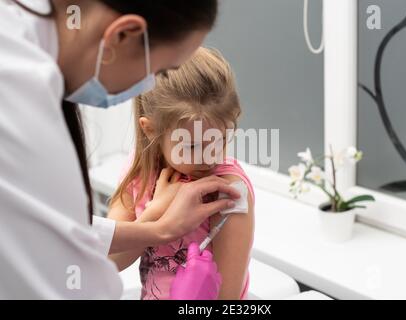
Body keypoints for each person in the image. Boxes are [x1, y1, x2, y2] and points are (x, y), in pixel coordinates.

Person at [0, 0, 239, 299]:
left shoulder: (231, 187)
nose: (149, 87)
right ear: (123, 34)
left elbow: (67, 232)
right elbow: (65, 276)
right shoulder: (19, 99)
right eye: (163, 70)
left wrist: (158, 226)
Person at [108, 48, 255, 300]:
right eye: (193, 146)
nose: (209, 156)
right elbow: (110, 260)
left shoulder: (229, 190)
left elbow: (227, 298)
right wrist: (156, 212)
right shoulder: (140, 171)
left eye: (219, 139)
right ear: (151, 130)